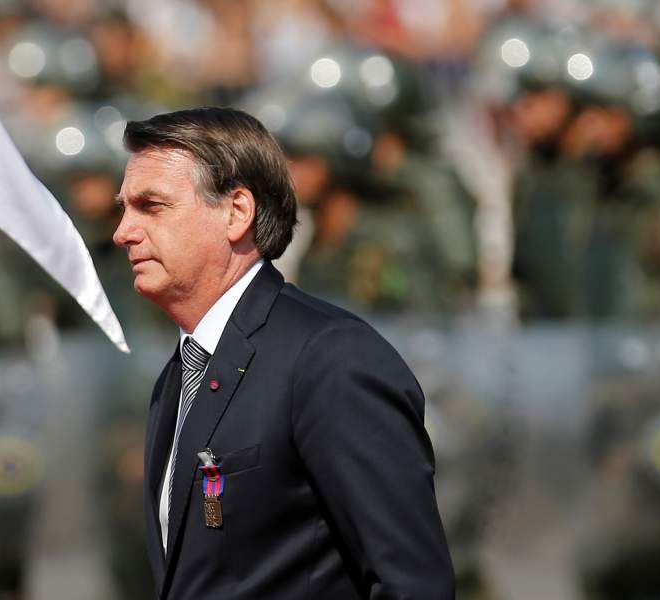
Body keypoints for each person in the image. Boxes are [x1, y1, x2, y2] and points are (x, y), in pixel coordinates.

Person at [112, 107, 455, 599]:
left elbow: (412, 583)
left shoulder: (329, 358)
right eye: (124, 208)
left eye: (152, 206)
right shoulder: (178, 376)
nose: (124, 231)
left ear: (236, 212)